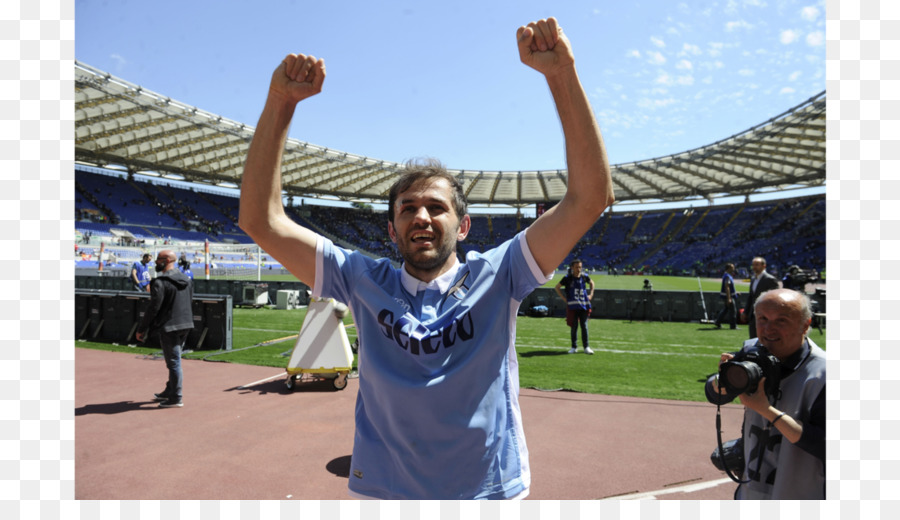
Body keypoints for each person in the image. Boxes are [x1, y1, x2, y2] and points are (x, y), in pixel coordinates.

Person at [238, 17, 613, 500]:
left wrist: (562, 75)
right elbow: (260, 219)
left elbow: (590, 198)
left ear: (463, 226)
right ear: (390, 229)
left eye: (437, 207)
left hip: (488, 493)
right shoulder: (359, 278)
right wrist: (281, 104)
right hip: (384, 492)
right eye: (407, 209)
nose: (422, 217)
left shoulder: (500, 273)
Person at [704, 289, 825, 499]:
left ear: (805, 325)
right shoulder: (753, 350)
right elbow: (715, 393)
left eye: (781, 320)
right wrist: (720, 382)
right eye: (762, 319)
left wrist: (767, 411)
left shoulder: (824, 374)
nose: (769, 329)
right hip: (751, 490)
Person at [135, 250, 194, 408]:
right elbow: (190, 299)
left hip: (169, 326)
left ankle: (176, 397)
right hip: (186, 323)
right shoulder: (187, 279)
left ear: (167, 260)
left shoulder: (160, 282)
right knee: (174, 360)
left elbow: (153, 308)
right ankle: (170, 390)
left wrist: (142, 329)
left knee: (174, 362)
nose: (155, 262)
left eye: (159, 259)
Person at [555, 259, 594, 354]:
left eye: (580, 267)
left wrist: (591, 294)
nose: (579, 269)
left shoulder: (584, 277)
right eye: (576, 267)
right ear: (572, 268)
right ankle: (574, 347)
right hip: (572, 306)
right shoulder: (567, 278)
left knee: (584, 326)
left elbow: (592, 283)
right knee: (574, 327)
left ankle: (586, 347)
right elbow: (557, 287)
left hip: (584, 305)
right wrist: (564, 299)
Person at [744, 256, 779, 339]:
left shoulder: (770, 279)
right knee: (753, 338)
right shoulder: (753, 279)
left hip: (766, 316)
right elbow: (751, 297)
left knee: (765, 338)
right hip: (753, 314)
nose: (754, 267)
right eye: (753, 265)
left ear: (764, 266)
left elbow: (775, 299)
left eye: (757, 264)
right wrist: (745, 311)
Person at [713, 263, 737, 329]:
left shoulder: (727, 275)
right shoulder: (727, 276)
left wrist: (736, 292)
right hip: (728, 296)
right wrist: (729, 298)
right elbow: (727, 287)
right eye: (732, 267)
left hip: (727, 296)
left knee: (726, 309)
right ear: (729, 268)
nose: (734, 268)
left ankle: (718, 322)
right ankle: (733, 326)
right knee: (733, 311)